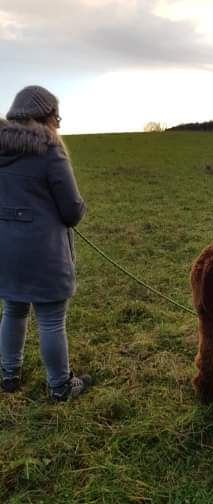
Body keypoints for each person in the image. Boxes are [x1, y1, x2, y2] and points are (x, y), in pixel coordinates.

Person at [0, 85, 91, 400]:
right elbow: (71, 209)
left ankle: (9, 375)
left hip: (6, 248)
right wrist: (77, 210)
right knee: (51, 318)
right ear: (46, 116)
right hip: (43, 251)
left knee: (13, 309)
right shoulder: (50, 149)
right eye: (57, 116)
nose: (59, 123)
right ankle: (59, 386)